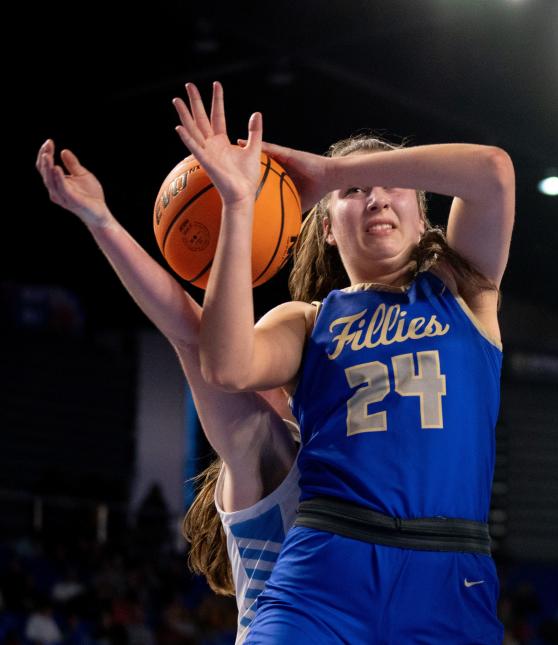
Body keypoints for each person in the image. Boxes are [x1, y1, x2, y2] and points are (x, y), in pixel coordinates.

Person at [172, 82, 515, 643]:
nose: (376, 198)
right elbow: (228, 365)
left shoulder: (465, 291)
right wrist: (238, 204)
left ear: (423, 213)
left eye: (392, 186)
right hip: (328, 565)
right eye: (355, 191)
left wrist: (329, 174)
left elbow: (494, 171)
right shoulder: (308, 322)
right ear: (327, 228)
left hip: (449, 572)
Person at [35, 139, 300, 643]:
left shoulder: (335, 459)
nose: (252, 377)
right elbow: (189, 332)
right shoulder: (262, 451)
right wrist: (102, 222)